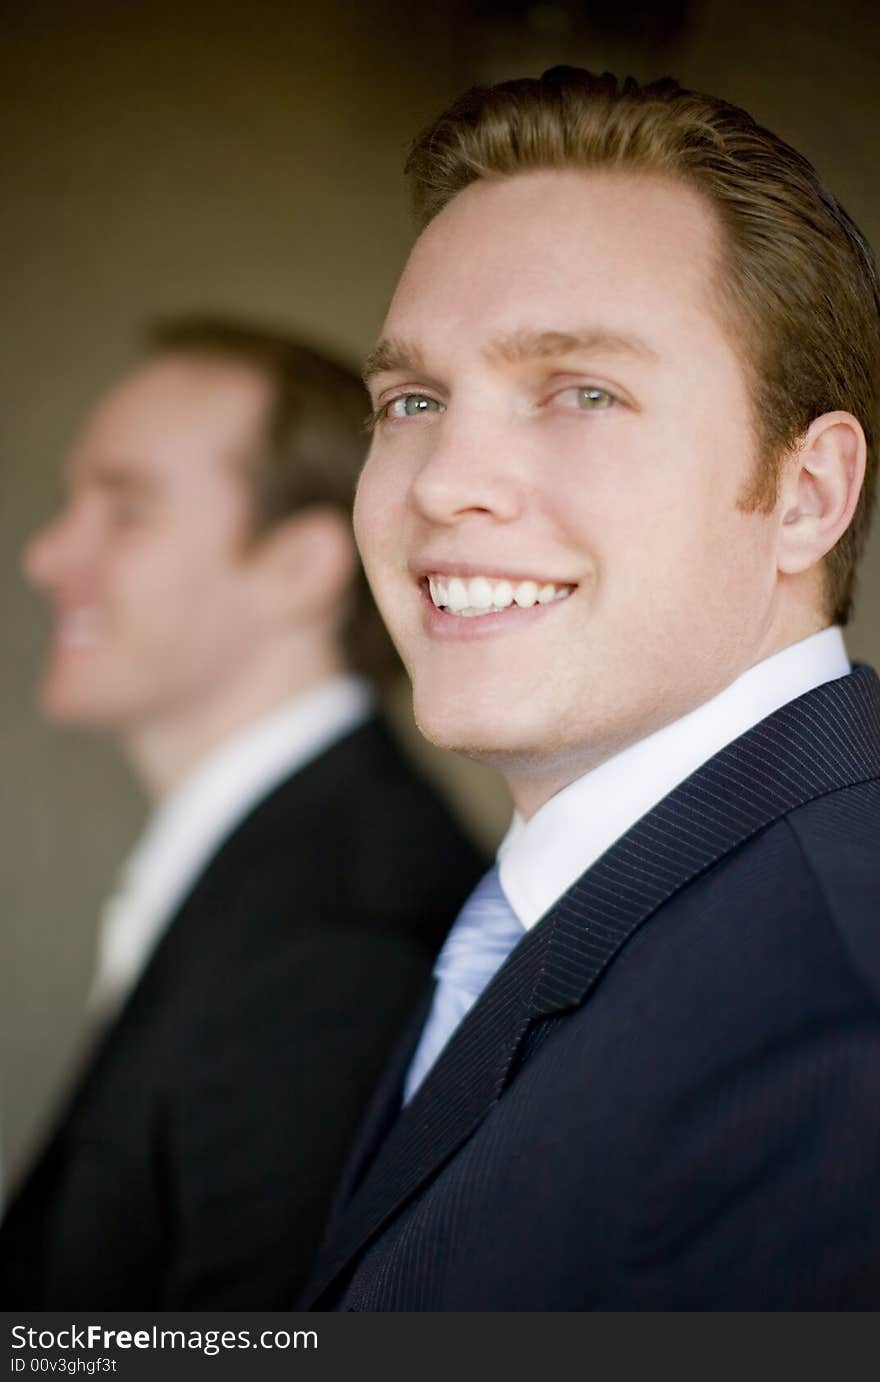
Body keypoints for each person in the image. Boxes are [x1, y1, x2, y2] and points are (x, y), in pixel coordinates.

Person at [302, 68, 880, 1310]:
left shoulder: (840, 1030)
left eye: (582, 391)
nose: (444, 480)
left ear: (805, 495)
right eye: (411, 400)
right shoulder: (576, 901)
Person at [0, 317, 484, 1308]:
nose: (47, 556)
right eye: (69, 504)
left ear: (300, 566)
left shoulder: (339, 940)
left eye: (124, 509)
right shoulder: (291, 868)